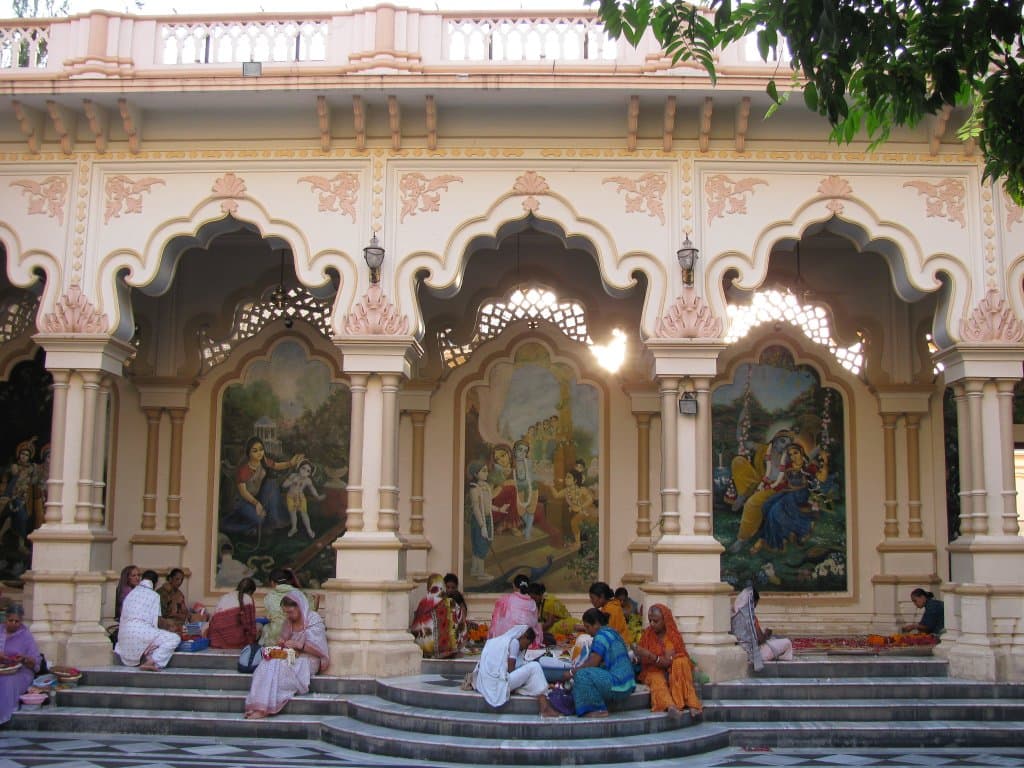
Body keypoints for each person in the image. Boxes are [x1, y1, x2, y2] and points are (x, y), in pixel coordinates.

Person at [244, 590, 329, 719]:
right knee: (266, 663)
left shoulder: (313, 619)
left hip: (308, 660)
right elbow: (283, 642)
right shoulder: (289, 622)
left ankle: (265, 708)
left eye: (290, 612)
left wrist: (300, 645)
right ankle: (258, 705)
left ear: (299, 607)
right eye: (286, 612)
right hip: (291, 656)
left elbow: (320, 650)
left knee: (277, 667)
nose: (288, 615)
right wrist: (282, 643)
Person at [221, 436, 304, 536]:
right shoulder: (243, 470)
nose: (259, 453)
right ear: (249, 453)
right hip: (243, 501)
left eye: (261, 449)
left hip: (257, 496)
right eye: (255, 451)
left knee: (271, 484)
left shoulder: (263, 461)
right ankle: (240, 528)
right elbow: (243, 493)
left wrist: (291, 463)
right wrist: (256, 504)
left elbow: (277, 465)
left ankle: (273, 520)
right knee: (260, 519)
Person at [472, 625, 559, 717]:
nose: (526, 647)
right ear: (524, 636)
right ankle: (544, 708)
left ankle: (544, 706)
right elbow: (511, 670)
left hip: (486, 683)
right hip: (499, 685)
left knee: (532, 671)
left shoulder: (497, 641)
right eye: (528, 643)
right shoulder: (514, 643)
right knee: (535, 666)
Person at [564, 608, 635, 718]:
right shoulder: (612, 632)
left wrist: (571, 672)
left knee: (583, 675)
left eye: (587, 627)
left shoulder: (601, 636)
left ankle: (597, 710)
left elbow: (592, 663)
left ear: (596, 624)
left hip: (619, 683)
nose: (587, 631)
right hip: (628, 683)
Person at [634, 604, 702, 718]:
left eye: (655, 621)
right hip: (653, 670)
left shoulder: (672, 636)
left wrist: (649, 655)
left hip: (672, 669)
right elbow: (642, 658)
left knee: (681, 662)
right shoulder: (647, 634)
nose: (651, 624)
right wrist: (637, 655)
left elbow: (667, 662)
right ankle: (670, 706)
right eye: (650, 620)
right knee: (656, 679)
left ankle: (692, 704)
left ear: (665, 620)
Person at [114, 570, 181, 671]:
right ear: (155, 583)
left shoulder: (131, 594)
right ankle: (151, 662)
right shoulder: (154, 595)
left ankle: (145, 657)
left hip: (123, 638)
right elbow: (156, 622)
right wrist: (170, 627)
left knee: (153, 642)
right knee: (174, 638)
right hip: (141, 633)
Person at [0, 604, 40, 725]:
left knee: (7, 681)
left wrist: (23, 659)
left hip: (20, 671)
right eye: (10, 620)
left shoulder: (26, 636)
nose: (13, 623)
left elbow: (35, 662)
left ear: (21, 621)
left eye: (16, 621)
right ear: (5, 619)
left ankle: (2, 717)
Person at [733, 587, 793, 663]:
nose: (754, 607)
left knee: (774, 640)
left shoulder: (733, 616)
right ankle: (783, 660)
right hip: (757, 654)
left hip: (739, 653)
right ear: (753, 602)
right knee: (787, 642)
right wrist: (766, 634)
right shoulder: (752, 618)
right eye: (755, 604)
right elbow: (760, 640)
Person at [466, 461, 502, 580]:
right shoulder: (474, 489)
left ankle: (475, 570)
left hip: (487, 519)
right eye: (484, 471)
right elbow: (476, 508)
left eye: (487, 470)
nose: (487, 473)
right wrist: (482, 526)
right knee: (480, 545)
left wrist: (500, 509)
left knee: (482, 544)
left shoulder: (486, 487)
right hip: (479, 521)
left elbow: (488, 505)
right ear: (476, 474)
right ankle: (480, 573)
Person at [410, 573, 460, 659]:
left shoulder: (423, 603)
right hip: (447, 653)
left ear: (429, 586)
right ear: (443, 586)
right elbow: (460, 625)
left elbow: (415, 628)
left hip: (425, 652)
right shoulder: (451, 602)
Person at [489, 574, 543, 649]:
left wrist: (493, 639)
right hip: (526, 643)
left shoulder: (505, 599)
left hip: (507, 641)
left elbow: (496, 621)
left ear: (514, 585)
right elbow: (536, 625)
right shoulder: (532, 603)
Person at [208, 577, 259, 649]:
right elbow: (251, 627)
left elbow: (213, 621)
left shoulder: (224, 597)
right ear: (250, 591)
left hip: (216, 640)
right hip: (236, 642)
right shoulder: (248, 599)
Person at [281, 459, 323, 539]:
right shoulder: (293, 476)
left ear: (310, 474)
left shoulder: (307, 480)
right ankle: (294, 528)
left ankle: (309, 530)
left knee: (304, 513)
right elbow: (284, 485)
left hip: (301, 498)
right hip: (291, 497)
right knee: (292, 513)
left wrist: (316, 496)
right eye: (303, 468)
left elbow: (312, 488)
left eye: (308, 471)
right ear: (299, 468)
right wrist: (292, 481)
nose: (304, 471)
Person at [552, 469, 595, 547]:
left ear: (575, 480)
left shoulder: (581, 489)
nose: (566, 479)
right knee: (574, 522)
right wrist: (550, 486)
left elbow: (590, 500)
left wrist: (580, 507)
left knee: (574, 521)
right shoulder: (566, 491)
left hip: (587, 511)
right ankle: (577, 542)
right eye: (566, 477)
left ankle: (578, 543)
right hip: (577, 513)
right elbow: (556, 495)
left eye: (569, 477)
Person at [260, 568, 300, 647]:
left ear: (272, 582)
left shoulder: (269, 596)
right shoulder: (299, 594)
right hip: (295, 636)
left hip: (274, 637)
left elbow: (269, 615)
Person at [443, 573, 469, 653]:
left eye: (453, 588)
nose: (450, 590)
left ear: (456, 588)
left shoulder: (457, 596)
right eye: (448, 587)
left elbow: (463, 609)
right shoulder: (442, 596)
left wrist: (462, 620)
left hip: (456, 624)